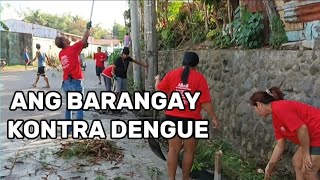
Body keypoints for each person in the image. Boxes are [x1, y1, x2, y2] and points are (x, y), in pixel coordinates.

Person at [155, 51, 221, 180]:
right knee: (189, 151)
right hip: (192, 119)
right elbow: (205, 102)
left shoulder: (172, 74)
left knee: (173, 149)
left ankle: (171, 178)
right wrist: (214, 118)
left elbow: (159, 89)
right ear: (196, 65)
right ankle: (185, 178)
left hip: (172, 117)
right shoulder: (199, 78)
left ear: (183, 62)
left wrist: (157, 79)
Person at [249, 87, 320, 180]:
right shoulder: (276, 116)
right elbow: (280, 146)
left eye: (254, 108)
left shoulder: (280, 107)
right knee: (297, 162)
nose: (255, 112)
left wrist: (306, 155)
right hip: (311, 136)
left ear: (259, 105)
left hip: (317, 133)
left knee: (308, 171)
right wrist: (269, 167)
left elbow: (302, 129)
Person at [54, 21, 92, 133]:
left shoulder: (61, 53)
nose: (66, 38)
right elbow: (84, 39)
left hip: (66, 82)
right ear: (64, 43)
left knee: (69, 107)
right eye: (64, 38)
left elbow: (80, 47)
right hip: (75, 81)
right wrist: (88, 28)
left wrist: (82, 45)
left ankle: (69, 128)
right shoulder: (72, 49)